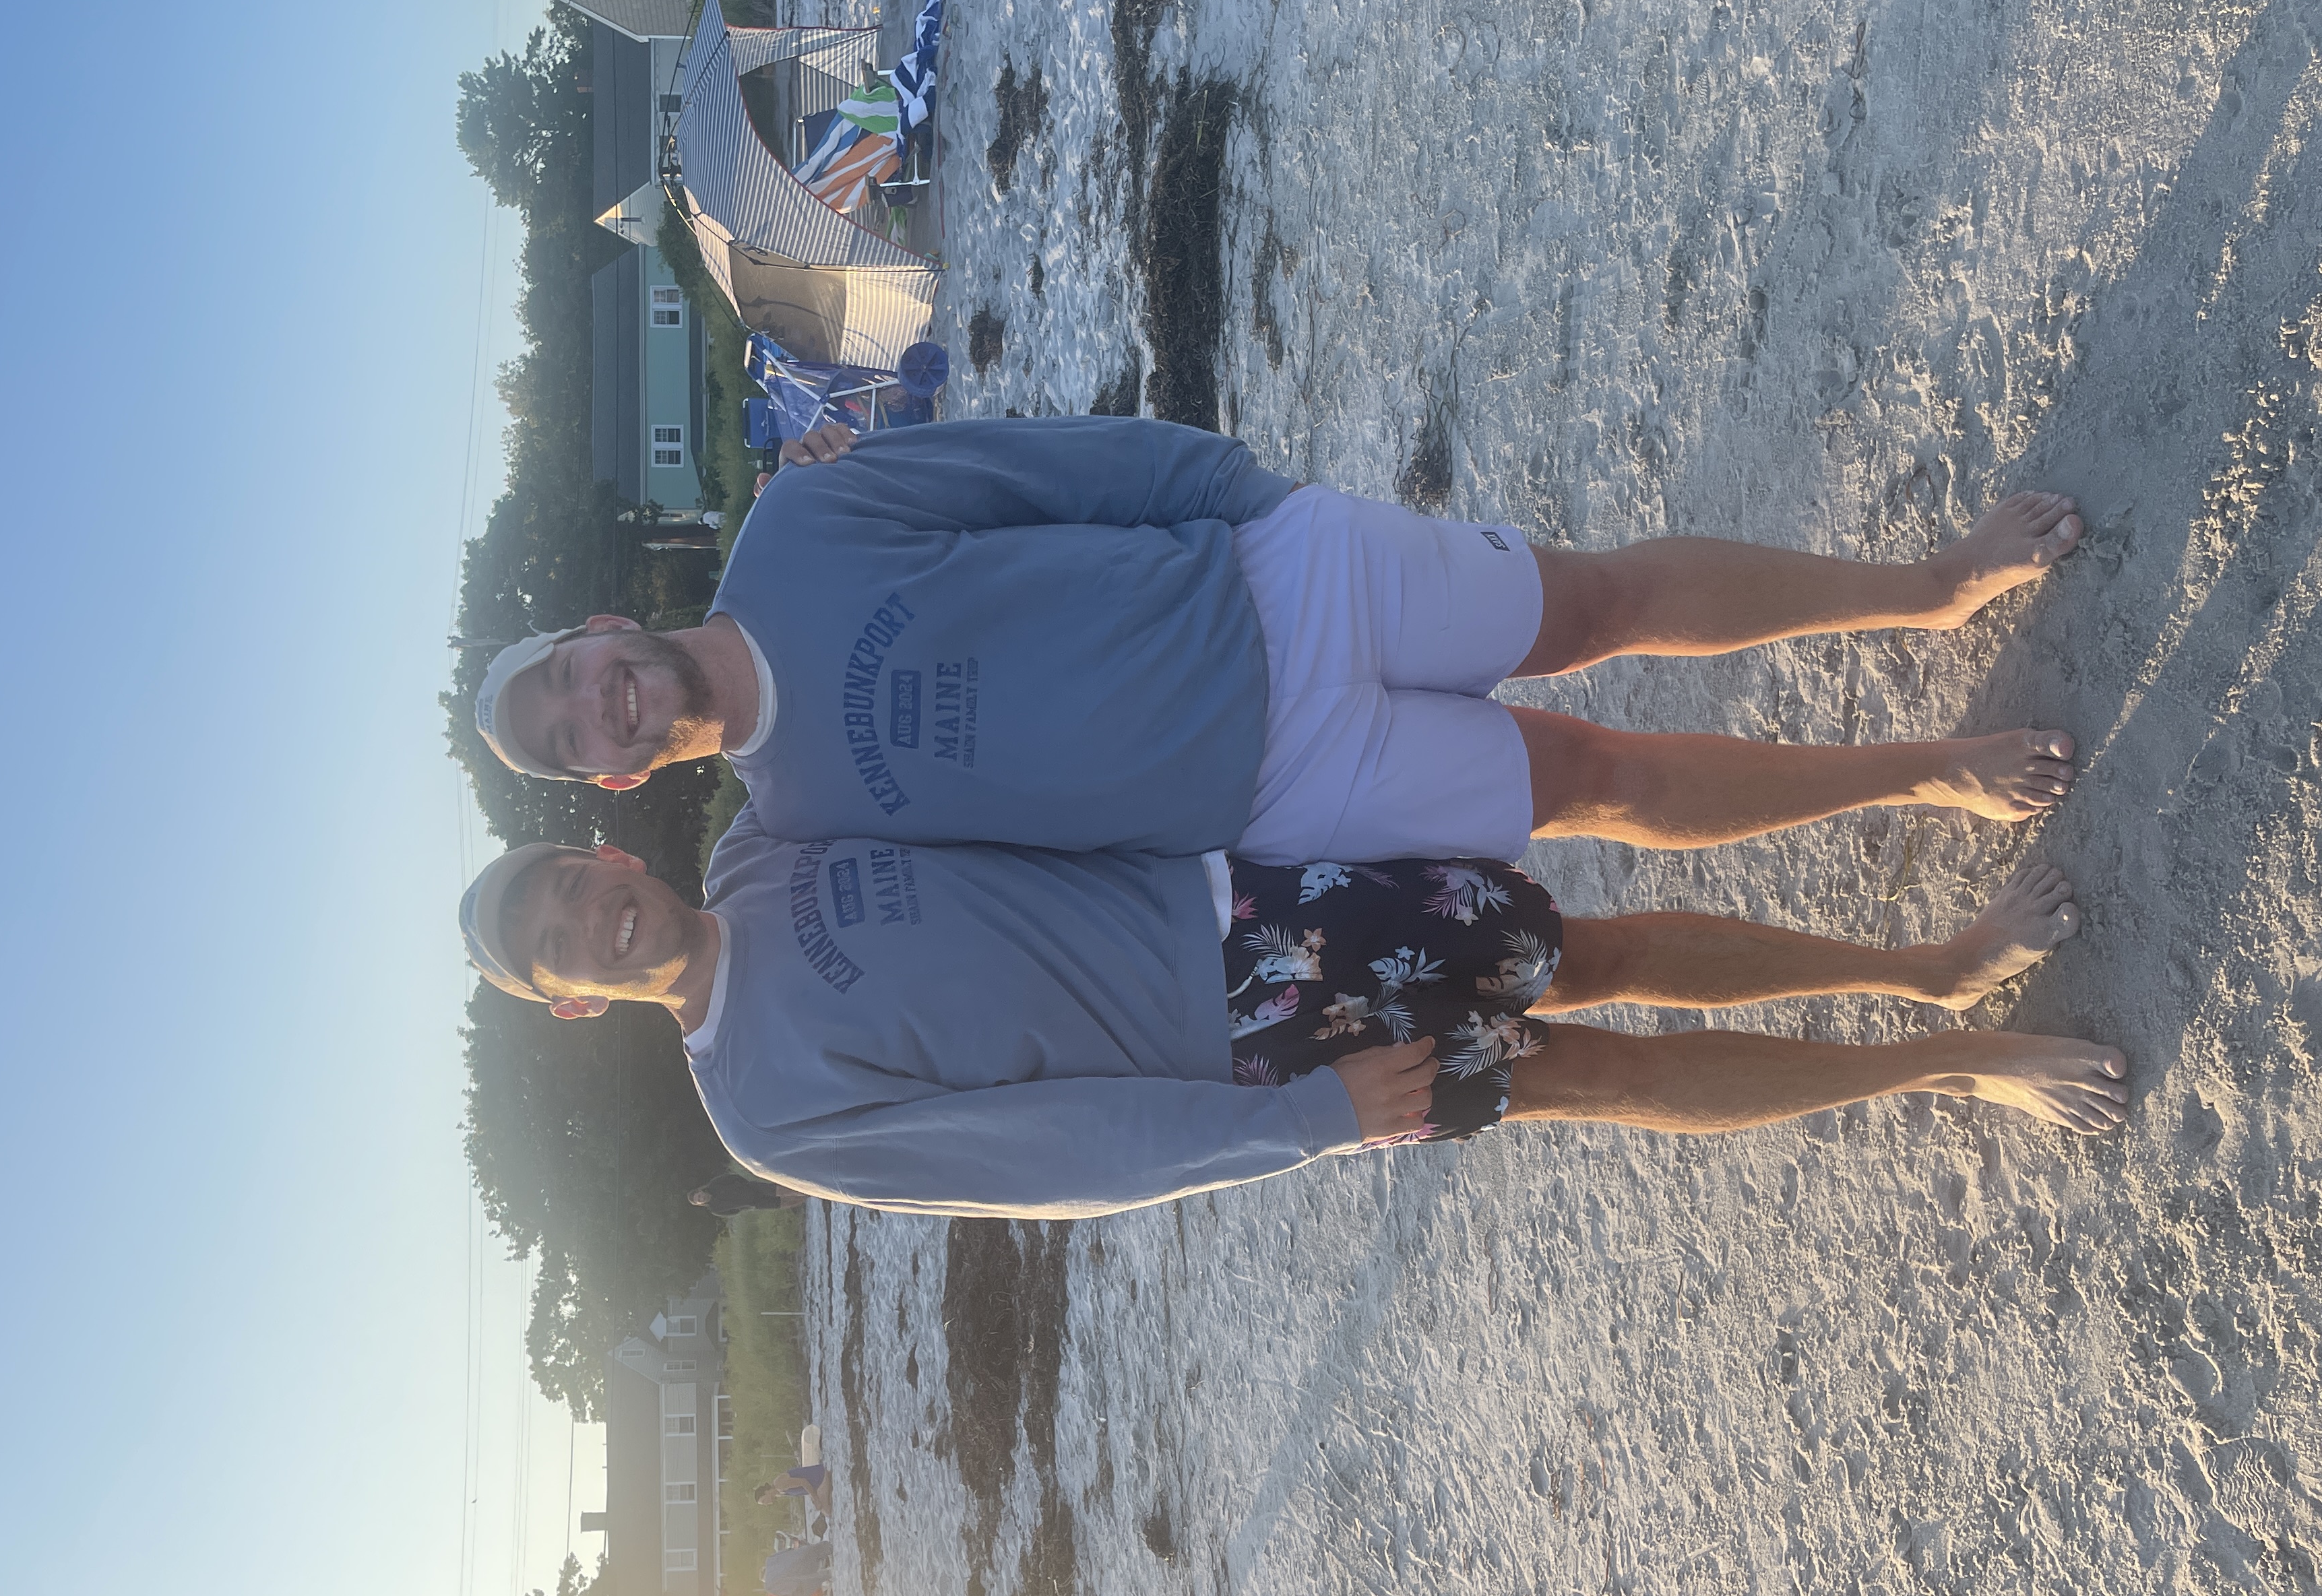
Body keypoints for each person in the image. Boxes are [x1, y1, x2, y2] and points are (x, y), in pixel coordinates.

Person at [468, 417, 2084, 866]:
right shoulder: (797, 826)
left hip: (1277, 580)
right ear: (612, 779)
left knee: (1594, 607)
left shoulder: (793, 532)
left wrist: (1235, 492)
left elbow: (1035, 470)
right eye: (572, 736)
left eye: (568, 673)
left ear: (602, 627)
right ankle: (1931, 775)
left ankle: (1929, 587)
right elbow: (1034, 899)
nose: (597, 705)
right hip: (1288, 789)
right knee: (1614, 790)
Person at [457, 829, 2128, 1220]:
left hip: (1246, 903)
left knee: (1595, 954)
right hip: (1256, 1055)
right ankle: (1956, 1060)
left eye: (560, 875)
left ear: (600, 846)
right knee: (1596, 1074)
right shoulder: (759, 1108)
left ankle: (1928, 964)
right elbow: (1045, 1163)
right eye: (553, 942)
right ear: (575, 999)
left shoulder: (770, 828)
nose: (581, 908)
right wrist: (1303, 1122)